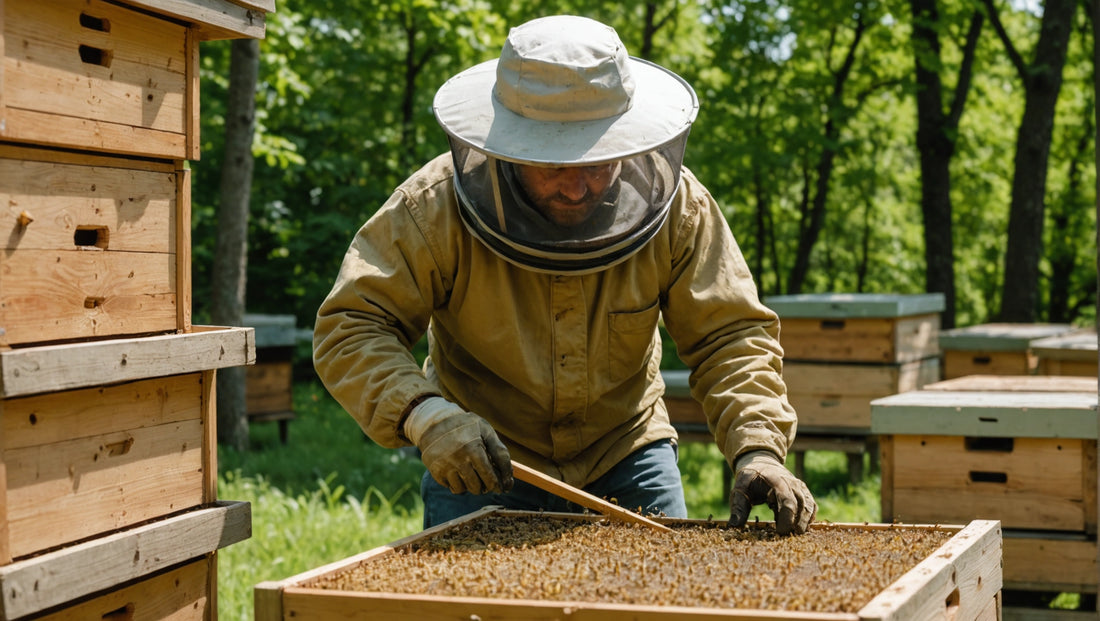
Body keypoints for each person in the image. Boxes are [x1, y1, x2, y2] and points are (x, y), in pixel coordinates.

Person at [313, 14, 817, 535]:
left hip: (629, 449)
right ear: (509, 146)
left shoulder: (681, 208)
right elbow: (352, 326)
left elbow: (729, 335)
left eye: (598, 163)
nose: (577, 189)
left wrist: (758, 448)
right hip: (481, 453)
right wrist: (426, 415)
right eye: (554, 166)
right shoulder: (432, 208)